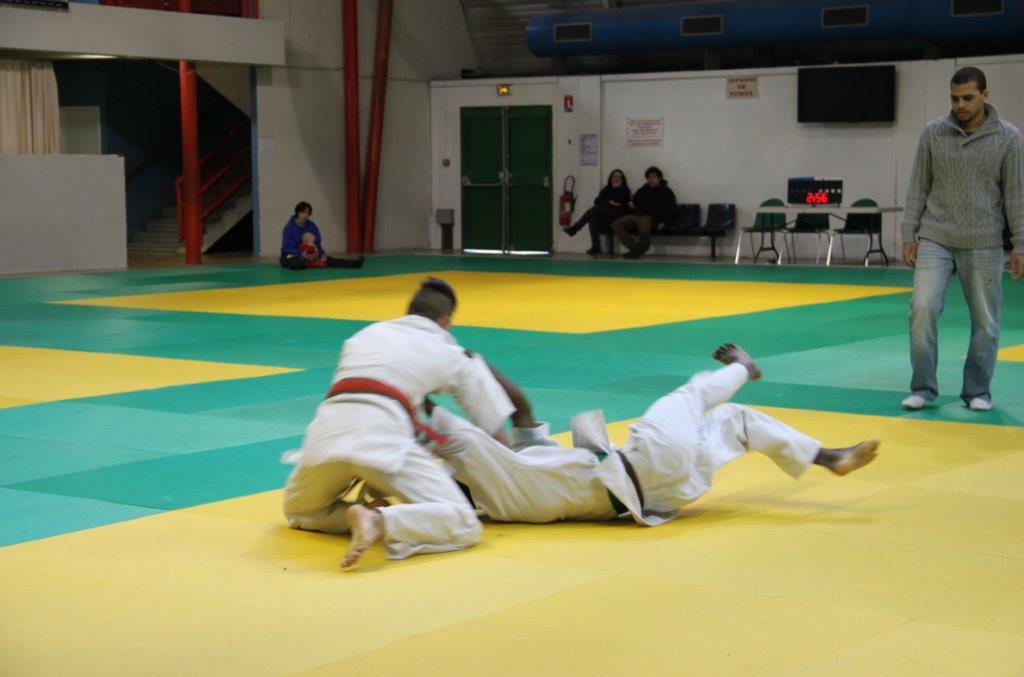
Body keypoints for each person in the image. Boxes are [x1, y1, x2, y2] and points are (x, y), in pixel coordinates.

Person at [427, 343, 879, 526]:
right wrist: (455, 371)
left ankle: (828, 457)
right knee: (692, 395)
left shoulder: (509, 486)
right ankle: (744, 366)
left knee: (736, 421)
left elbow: (521, 411)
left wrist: (475, 363)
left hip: (660, 497)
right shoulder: (499, 480)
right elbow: (460, 430)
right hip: (644, 462)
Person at [280, 278, 515, 569]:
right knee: (463, 521)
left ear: (410, 311)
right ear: (445, 321)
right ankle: (379, 520)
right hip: (382, 441)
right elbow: (488, 419)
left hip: (325, 437)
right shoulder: (447, 351)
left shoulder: (365, 335)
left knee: (302, 511)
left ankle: (361, 514)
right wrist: (514, 466)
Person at [901, 66, 1023, 412]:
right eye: (954, 98)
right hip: (935, 237)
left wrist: (1021, 245)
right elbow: (918, 187)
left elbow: (1016, 196)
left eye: (968, 98)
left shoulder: (1008, 137)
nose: (960, 105)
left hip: (984, 242)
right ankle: (923, 388)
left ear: (985, 95)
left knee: (986, 321)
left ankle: (978, 391)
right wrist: (908, 235)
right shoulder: (933, 133)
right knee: (921, 308)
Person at [611, 166, 677, 259]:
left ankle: (638, 250)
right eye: (648, 177)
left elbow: (671, 208)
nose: (651, 179)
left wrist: (664, 221)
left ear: (659, 178)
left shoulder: (667, 192)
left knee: (644, 228)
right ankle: (635, 248)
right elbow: (634, 199)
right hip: (636, 214)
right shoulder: (644, 189)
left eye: (653, 176)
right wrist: (631, 203)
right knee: (616, 224)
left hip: (652, 217)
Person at [563, 169, 631, 257]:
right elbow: (597, 201)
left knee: (594, 210)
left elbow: (621, 204)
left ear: (622, 179)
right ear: (611, 178)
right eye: (615, 176)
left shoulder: (624, 190)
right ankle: (596, 247)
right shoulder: (606, 189)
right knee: (593, 218)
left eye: (619, 177)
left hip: (617, 215)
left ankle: (575, 228)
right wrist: (610, 202)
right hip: (604, 214)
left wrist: (612, 196)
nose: (616, 179)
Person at [280, 201, 365, 271]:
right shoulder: (289, 228)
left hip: (311, 255)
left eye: (307, 213)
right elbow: (287, 247)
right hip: (291, 255)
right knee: (295, 262)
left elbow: (317, 242)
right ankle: (302, 264)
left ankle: (354, 263)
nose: (305, 215)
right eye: (302, 212)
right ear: (297, 213)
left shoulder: (312, 226)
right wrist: (301, 254)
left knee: (329, 260)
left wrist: (322, 254)